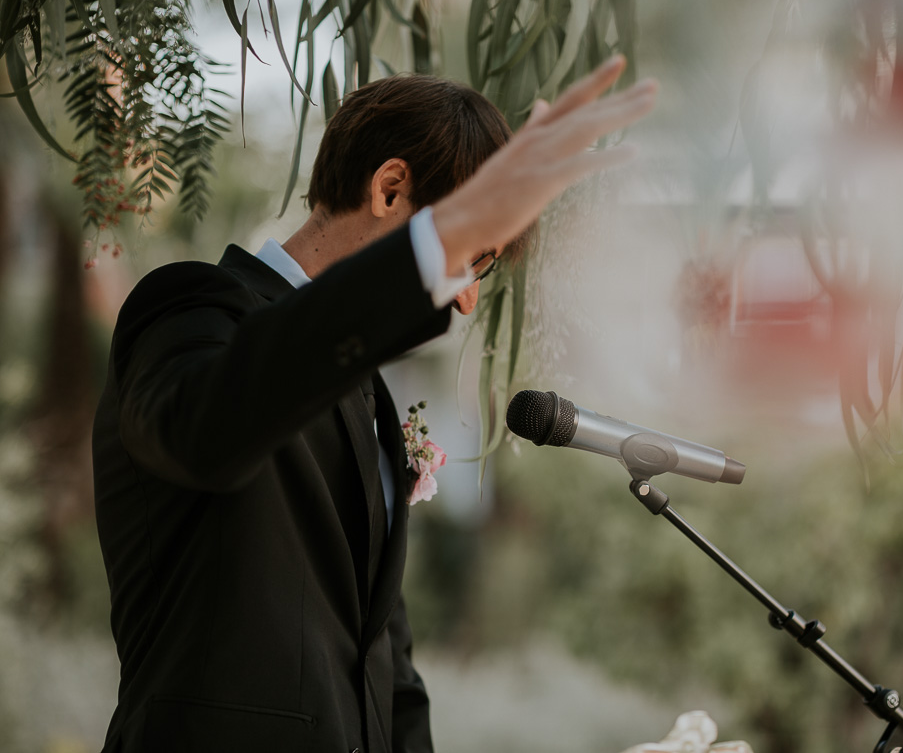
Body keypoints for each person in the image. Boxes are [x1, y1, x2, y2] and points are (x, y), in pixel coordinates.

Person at [91, 56, 657, 753]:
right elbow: (207, 431)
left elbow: (384, 666)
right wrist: (435, 247)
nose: (468, 297)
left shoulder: (371, 396)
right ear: (390, 189)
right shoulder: (188, 309)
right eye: (475, 257)